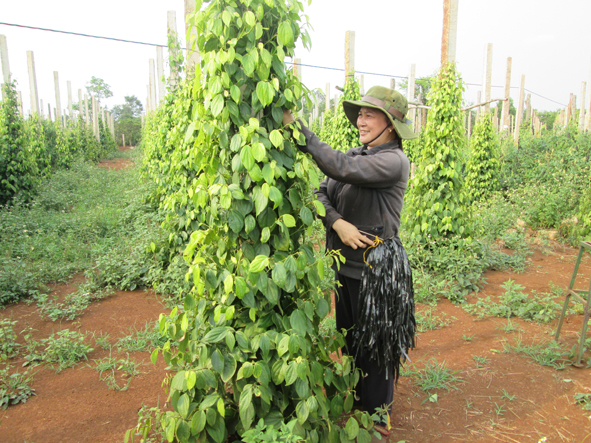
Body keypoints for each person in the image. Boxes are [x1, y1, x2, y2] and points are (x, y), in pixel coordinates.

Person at [283, 85, 417, 437]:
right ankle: (360, 397)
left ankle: (377, 413)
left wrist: (298, 129)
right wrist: (338, 223)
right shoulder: (358, 155)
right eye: (360, 113)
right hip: (345, 265)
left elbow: (338, 168)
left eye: (370, 114)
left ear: (390, 124)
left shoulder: (392, 161)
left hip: (376, 270)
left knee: (377, 343)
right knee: (351, 337)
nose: (361, 119)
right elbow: (320, 192)